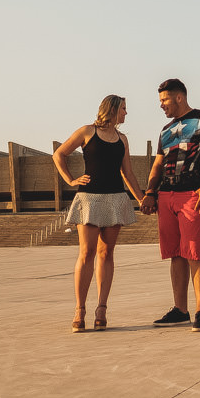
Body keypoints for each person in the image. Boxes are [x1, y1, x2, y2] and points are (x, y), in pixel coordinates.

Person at [53, 94, 147, 333]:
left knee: (107, 253)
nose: (126, 113)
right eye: (124, 109)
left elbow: (128, 173)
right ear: (113, 109)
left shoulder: (122, 139)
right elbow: (59, 154)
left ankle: (102, 309)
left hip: (115, 198)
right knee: (87, 253)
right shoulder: (87, 131)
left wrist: (141, 199)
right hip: (89, 198)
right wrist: (71, 180)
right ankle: (80, 309)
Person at [142, 78, 200, 332]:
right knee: (176, 254)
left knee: (196, 252)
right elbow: (158, 164)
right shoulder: (166, 130)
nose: (161, 105)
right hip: (166, 196)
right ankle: (180, 310)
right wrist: (150, 192)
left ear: (179, 97)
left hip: (194, 194)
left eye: (164, 100)